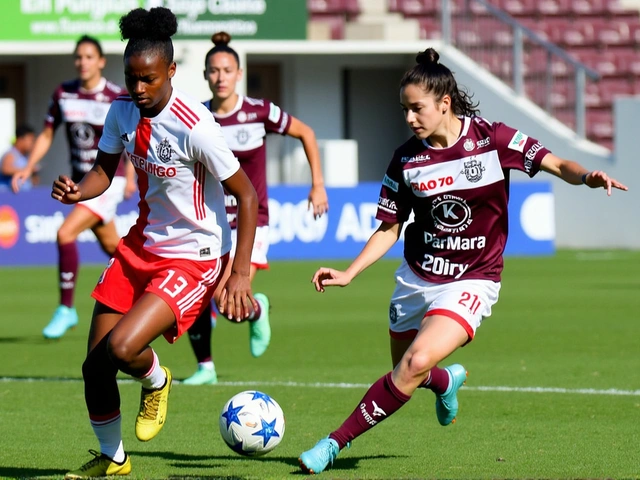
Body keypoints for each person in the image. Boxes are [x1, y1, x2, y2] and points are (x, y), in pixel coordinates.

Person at [298, 47, 628, 475]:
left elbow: (557, 162)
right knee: (406, 371)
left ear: (444, 103)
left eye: (417, 109)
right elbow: (388, 228)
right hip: (416, 278)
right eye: (404, 110)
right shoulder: (405, 159)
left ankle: (331, 444)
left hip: (474, 279)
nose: (410, 119)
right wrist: (349, 273)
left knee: (414, 364)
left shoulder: (493, 139)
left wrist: (586, 176)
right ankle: (447, 380)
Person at [51, 7, 258, 479]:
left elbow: (245, 195)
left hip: (194, 257)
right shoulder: (122, 109)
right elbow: (104, 170)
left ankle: (157, 379)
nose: (138, 89)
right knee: (93, 367)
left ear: (170, 72)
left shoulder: (195, 124)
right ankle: (112, 459)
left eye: (147, 79)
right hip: (141, 246)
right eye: (131, 78)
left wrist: (240, 272)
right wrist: (77, 191)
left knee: (122, 349)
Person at [182, 31, 330, 385]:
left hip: (252, 222)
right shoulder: (198, 117)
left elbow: (306, 133)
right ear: (205, 75)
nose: (220, 77)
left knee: (224, 297)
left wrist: (318, 184)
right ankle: (205, 368)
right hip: (209, 222)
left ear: (239, 73)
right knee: (197, 295)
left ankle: (258, 308)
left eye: (227, 70)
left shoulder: (259, 111)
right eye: (214, 71)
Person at [12, 35, 137, 340]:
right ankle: (149, 291)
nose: (83, 62)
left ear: (101, 62)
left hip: (110, 180)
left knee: (65, 233)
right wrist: (28, 166)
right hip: (82, 182)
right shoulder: (64, 94)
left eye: (89, 57)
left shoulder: (115, 96)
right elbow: (46, 134)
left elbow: (132, 137)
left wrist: (132, 175)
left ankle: (66, 309)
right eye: (78, 57)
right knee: (115, 248)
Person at [0, 124, 36, 191]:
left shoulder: (26, 156)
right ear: (20, 139)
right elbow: (5, 169)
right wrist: (27, 170)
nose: (32, 143)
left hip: (22, 194)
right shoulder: (10, 154)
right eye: (30, 140)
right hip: (8, 195)